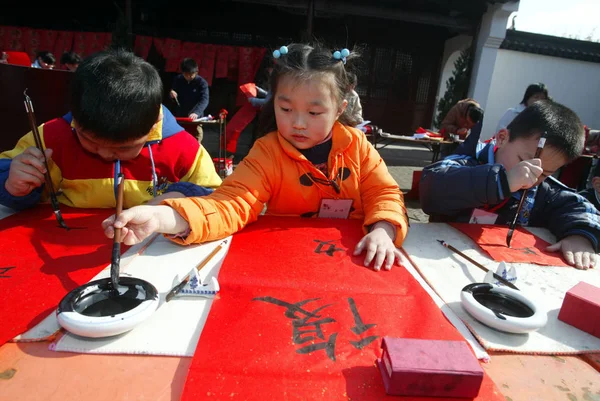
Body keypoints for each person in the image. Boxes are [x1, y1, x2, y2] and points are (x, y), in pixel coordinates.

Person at [103, 43, 409, 272]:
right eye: (285, 109)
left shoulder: (357, 145)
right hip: (287, 260)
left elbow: (383, 192)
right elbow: (230, 204)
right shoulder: (268, 152)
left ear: (340, 109)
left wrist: (383, 230)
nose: (298, 123)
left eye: (314, 112)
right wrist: (163, 217)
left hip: (356, 256)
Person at [0, 49, 221, 211]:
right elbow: (5, 173)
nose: (104, 153)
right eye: (90, 141)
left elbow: (218, 199)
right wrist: (12, 185)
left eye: (123, 148)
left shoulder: (184, 150)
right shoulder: (50, 138)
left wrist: (182, 197)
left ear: (154, 122)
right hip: (58, 243)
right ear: (76, 116)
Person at [420, 100, 600, 270]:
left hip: (499, 268)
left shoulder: (541, 189)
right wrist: (502, 182)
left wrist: (581, 234)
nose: (531, 177)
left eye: (545, 173)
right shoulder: (467, 161)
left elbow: (579, 206)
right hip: (437, 259)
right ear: (502, 138)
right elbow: (430, 187)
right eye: (524, 161)